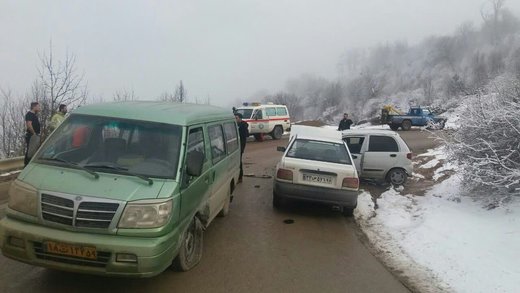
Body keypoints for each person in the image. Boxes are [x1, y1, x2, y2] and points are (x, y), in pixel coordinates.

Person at [24, 102, 42, 166]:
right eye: (38, 106)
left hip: (35, 135)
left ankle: (31, 165)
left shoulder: (34, 115)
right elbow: (29, 125)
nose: (39, 108)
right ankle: (26, 166)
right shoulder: (29, 114)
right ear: (34, 107)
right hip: (32, 135)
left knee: (34, 151)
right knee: (30, 152)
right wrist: (34, 134)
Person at [235, 113, 249, 183]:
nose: (235, 119)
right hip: (235, 145)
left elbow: (246, 135)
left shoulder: (243, 125)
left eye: (236, 118)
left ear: (240, 118)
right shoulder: (235, 125)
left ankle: (240, 177)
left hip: (241, 145)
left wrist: (239, 130)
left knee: (239, 161)